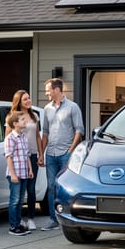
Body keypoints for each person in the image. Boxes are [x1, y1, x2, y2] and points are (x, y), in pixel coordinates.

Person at [40, 77, 85, 231]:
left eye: (48, 91)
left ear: (57, 90)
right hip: (50, 154)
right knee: (51, 187)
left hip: (66, 153)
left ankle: (67, 218)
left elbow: (79, 130)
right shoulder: (47, 109)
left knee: (65, 187)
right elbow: (45, 132)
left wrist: (71, 150)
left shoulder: (73, 107)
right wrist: (41, 153)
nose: (47, 94)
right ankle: (54, 220)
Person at [5, 89, 43, 231]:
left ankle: (31, 218)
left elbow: (38, 136)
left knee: (31, 189)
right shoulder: (13, 117)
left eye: (29, 98)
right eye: (25, 99)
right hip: (18, 158)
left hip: (31, 156)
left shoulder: (34, 116)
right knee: (18, 193)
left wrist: (40, 154)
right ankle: (17, 220)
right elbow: (8, 138)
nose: (28, 101)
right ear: (19, 102)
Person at [4, 110, 33, 236]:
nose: (25, 121)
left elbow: (27, 155)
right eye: (22, 120)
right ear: (15, 123)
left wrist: (30, 169)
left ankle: (19, 224)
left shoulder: (24, 137)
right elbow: (8, 157)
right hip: (15, 174)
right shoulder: (10, 138)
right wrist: (13, 174)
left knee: (21, 200)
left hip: (24, 173)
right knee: (14, 200)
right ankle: (13, 226)